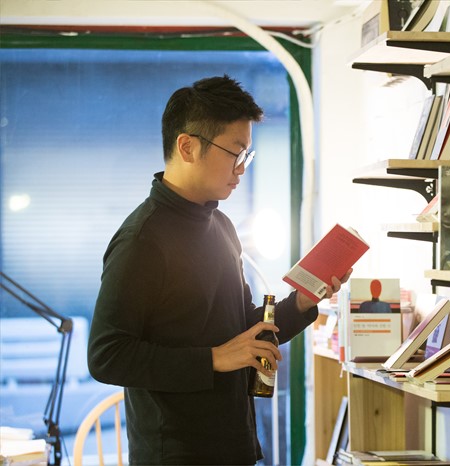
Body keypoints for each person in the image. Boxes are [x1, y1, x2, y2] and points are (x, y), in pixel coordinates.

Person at [87, 75, 351, 466]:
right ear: (187, 147)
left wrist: (303, 301)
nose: (241, 168)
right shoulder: (142, 239)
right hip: (176, 455)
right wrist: (213, 358)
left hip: (235, 444)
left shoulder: (222, 226)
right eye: (235, 153)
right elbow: (106, 355)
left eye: (247, 155)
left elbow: (243, 330)